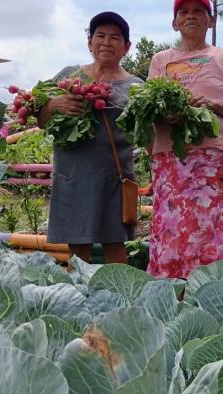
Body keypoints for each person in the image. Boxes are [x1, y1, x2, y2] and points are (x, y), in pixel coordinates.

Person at [147, 0, 223, 279]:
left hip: (212, 158)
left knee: (212, 226)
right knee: (170, 225)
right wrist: (167, 115)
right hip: (170, 157)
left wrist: (210, 104)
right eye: (184, 12)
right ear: (175, 22)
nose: (191, 17)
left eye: (199, 12)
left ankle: (217, 290)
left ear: (211, 21)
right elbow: (148, 109)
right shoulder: (161, 60)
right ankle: (170, 292)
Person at [39, 12, 142, 264]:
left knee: (115, 246)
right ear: (89, 42)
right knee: (78, 249)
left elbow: (146, 133)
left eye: (115, 37)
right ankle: (79, 300)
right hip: (73, 174)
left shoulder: (136, 86)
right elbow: (40, 120)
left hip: (114, 176)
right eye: (100, 36)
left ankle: (120, 299)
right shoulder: (69, 76)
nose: (106, 42)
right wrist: (53, 104)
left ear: (126, 47)